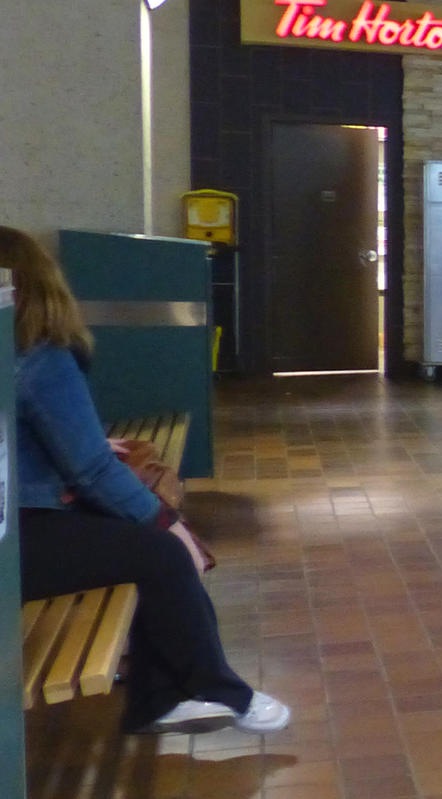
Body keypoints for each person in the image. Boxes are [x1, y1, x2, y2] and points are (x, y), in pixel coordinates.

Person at [1, 227, 289, 735]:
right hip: (18, 531)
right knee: (164, 553)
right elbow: (89, 471)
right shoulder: (38, 356)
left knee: (142, 548)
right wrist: (166, 521)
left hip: (19, 516)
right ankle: (215, 690)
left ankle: (163, 697)